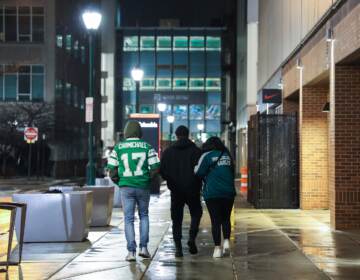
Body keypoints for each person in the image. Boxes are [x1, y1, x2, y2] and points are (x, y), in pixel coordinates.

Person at [107, 121, 160, 261]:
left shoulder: (118, 148)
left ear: (126, 132)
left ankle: (131, 252)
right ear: (139, 132)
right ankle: (144, 248)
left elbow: (111, 169)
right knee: (144, 216)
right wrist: (147, 179)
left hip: (126, 187)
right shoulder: (147, 147)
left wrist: (121, 182)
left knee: (128, 219)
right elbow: (155, 167)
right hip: (143, 186)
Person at [160, 125, 202, 257]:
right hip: (193, 189)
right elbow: (200, 170)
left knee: (176, 219)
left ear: (176, 135)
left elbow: (162, 170)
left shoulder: (168, 152)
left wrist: (171, 181)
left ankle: (178, 248)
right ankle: (191, 238)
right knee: (196, 213)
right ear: (188, 134)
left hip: (176, 190)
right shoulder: (196, 151)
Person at [194, 137, 236, 258]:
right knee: (226, 218)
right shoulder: (227, 155)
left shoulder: (207, 156)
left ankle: (217, 248)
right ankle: (227, 241)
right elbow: (232, 172)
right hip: (228, 192)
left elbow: (198, 172)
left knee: (215, 221)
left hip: (212, 193)